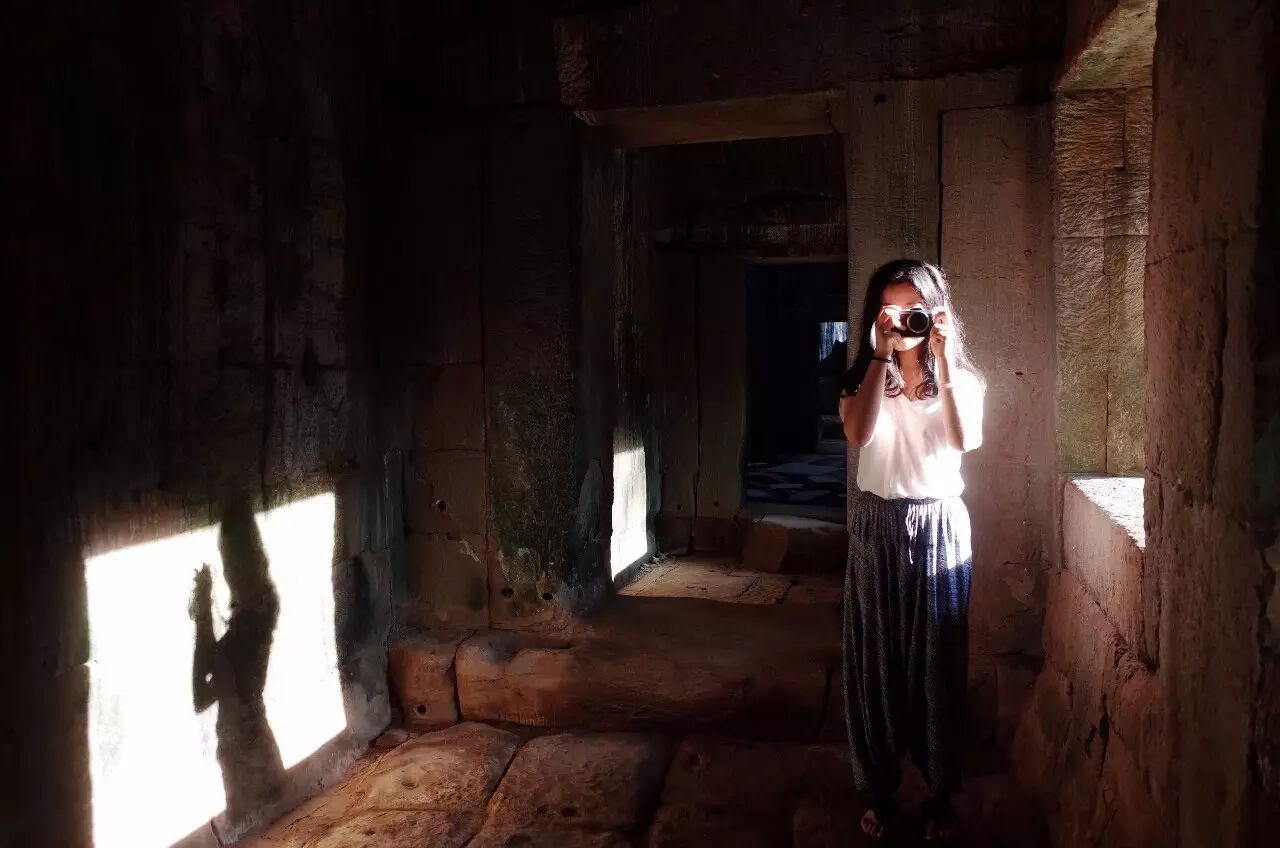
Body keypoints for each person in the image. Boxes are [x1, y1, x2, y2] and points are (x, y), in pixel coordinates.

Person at [838, 259, 984, 841]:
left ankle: (939, 795)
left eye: (914, 310)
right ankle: (877, 790)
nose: (903, 321)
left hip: (940, 525)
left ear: (937, 313)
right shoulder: (862, 378)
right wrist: (881, 356)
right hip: (875, 524)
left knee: (936, 664)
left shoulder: (961, 379)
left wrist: (943, 362)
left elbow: (963, 440)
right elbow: (859, 435)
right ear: (875, 316)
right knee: (874, 662)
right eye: (891, 310)